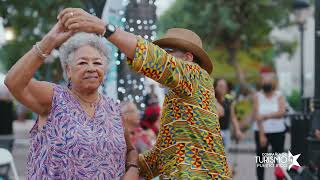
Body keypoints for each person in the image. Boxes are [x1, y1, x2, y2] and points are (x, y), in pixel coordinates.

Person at [57, 8, 230, 179]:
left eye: (168, 51)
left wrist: (104, 28)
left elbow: (158, 62)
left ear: (187, 58)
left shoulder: (196, 75)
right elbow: (161, 156)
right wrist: (117, 165)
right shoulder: (177, 98)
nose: (164, 55)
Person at [4, 22, 138, 179]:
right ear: (68, 70)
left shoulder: (113, 108)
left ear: (105, 69)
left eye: (97, 63)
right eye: (82, 62)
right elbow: (13, 82)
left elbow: (130, 150)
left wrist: (133, 168)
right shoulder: (54, 97)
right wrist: (49, 41)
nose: (91, 68)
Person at [252, 73, 286, 180]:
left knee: (279, 160)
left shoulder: (279, 95)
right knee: (261, 160)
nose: (267, 83)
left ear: (273, 83)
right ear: (262, 83)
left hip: (278, 132)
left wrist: (266, 115)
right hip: (261, 132)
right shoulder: (257, 96)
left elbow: (281, 112)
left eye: (269, 81)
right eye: (264, 81)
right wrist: (262, 135)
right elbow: (257, 116)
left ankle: (280, 178)